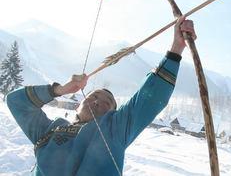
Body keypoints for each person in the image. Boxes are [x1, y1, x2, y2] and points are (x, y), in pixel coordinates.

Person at [7, 16, 196, 176]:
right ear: (79, 103)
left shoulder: (115, 128)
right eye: (94, 96)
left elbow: (150, 98)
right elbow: (16, 102)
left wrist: (176, 49)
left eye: (108, 102)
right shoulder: (52, 128)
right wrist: (61, 90)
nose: (98, 101)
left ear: (113, 113)